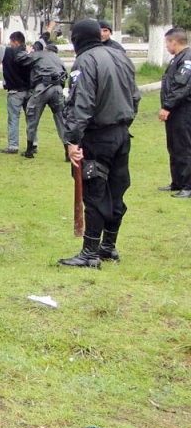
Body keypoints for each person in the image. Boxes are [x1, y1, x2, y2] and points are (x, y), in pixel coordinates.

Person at [60, 18, 140, 267]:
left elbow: (81, 103)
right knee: (117, 189)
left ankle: (90, 252)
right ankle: (109, 246)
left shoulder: (85, 60)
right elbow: (135, 96)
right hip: (121, 134)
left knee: (95, 191)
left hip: (96, 136)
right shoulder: (121, 56)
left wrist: (72, 140)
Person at [17, 40, 67, 160]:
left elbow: (20, 59)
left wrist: (28, 50)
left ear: (46, 49)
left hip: (42, 88)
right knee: (61, 119)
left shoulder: (40, 54)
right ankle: (67, 151)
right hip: (58, 89)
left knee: (32, 116)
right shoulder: (59, 59)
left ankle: (30, 150)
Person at [159, 27, 191, 198]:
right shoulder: (176, 59)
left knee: (184, 147)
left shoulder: (188, 59)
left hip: (183, 111)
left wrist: (167, 106)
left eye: (167, 43)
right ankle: (177, 181)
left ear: (174, 42)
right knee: (174, 146)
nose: (166, 47)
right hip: (175, 112)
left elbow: (183, 87)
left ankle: (188, 185)